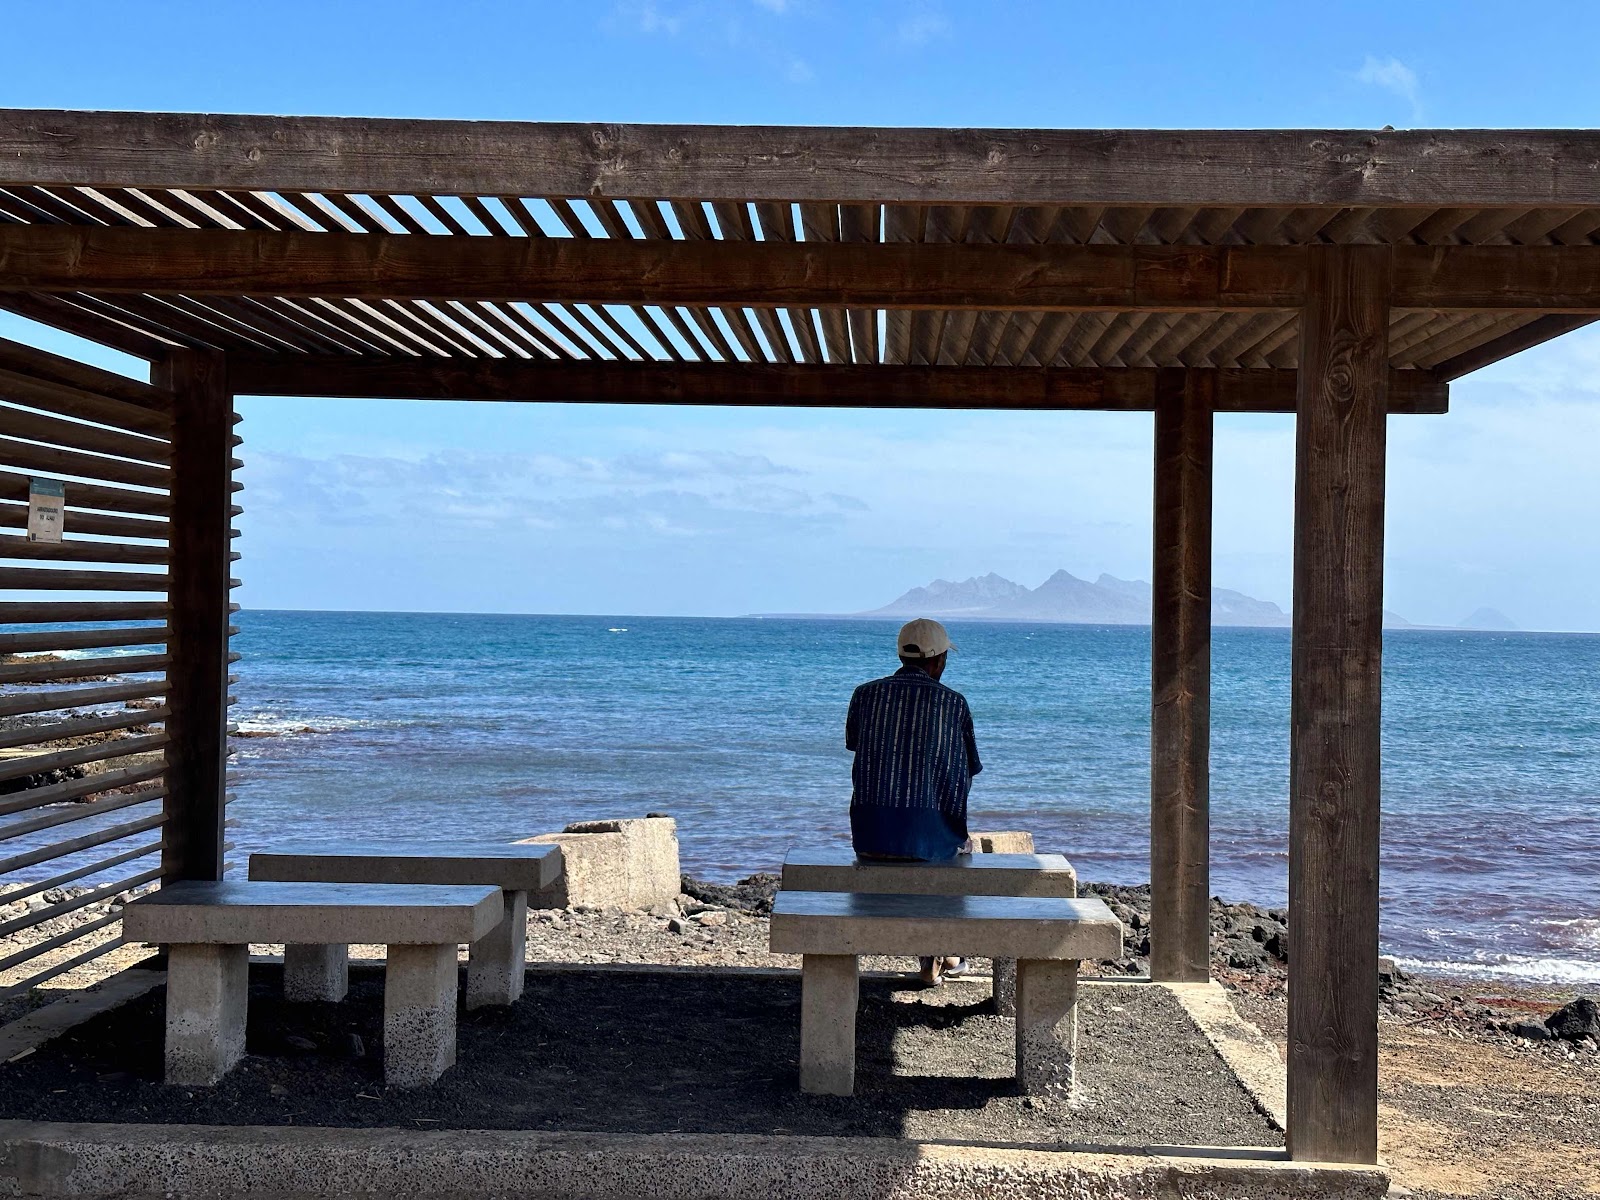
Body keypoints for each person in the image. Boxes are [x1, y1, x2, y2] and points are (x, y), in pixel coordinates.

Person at [845, 617, 983, 985]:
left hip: (870, 839)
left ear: (901, 655)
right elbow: (970, 768)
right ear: (939, 661)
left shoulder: (864, 694)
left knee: (916, 825)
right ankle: (939, 955)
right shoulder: (954, 704)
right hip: (927, 845)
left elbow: (856, 745)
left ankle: (940, 958)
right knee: (953, 845)